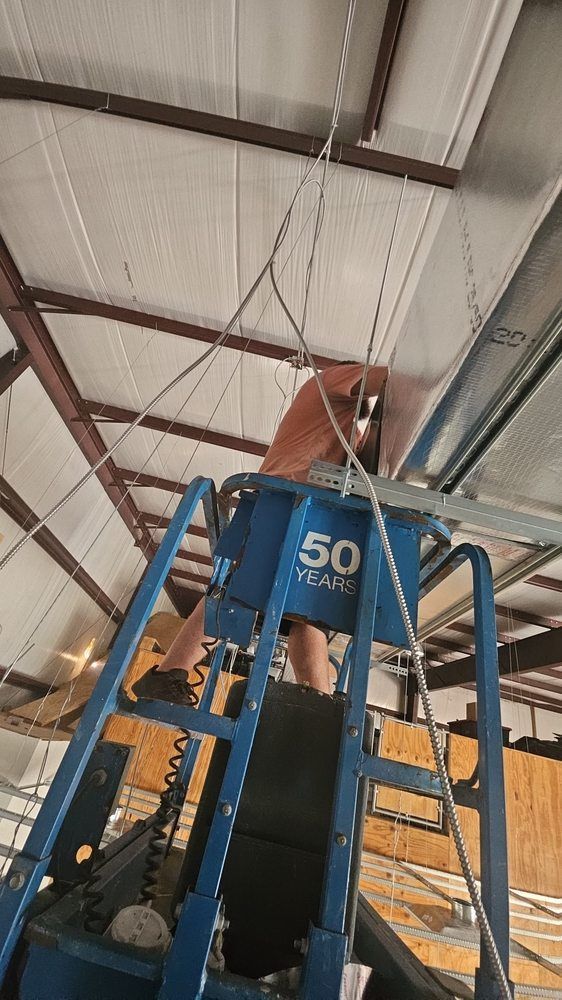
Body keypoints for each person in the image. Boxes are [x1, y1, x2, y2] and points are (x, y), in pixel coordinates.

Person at [133, 362, 387, 704]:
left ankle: (318, 704)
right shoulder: (329, 383)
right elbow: (391, 377)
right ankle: (168, 672)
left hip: (307, 509)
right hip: (285, 500)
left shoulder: (349, 430)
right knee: (239, 589)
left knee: (307, 609)